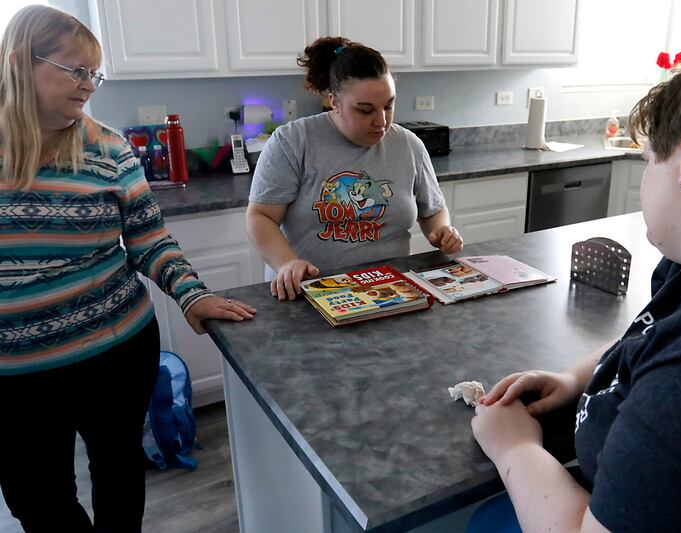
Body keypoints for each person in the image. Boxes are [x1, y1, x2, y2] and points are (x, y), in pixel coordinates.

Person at [470, 49, 681, 532]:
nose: (645, 177)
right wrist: (574, 378)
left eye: (648, 161)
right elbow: (653, 337)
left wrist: (513, 447)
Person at [0, 6, 256, 532]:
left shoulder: (108, 147)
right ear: (21, 62)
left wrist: (191, 294)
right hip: (14, 374)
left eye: (94, 73)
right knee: (36, 498)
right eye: (75, 71)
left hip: (114, 352)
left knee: (118, 474)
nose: (88, 86)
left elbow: (148, 239)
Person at [246, 36, 463, 301]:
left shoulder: (408, 145)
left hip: (389, 291)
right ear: (334, 102)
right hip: (310, 292)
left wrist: (441, 231)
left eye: (389, 106)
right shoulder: (292, 142)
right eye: (365, 110)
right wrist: (286, 264)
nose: (381, 121)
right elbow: (260, 217)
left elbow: (434, 210)